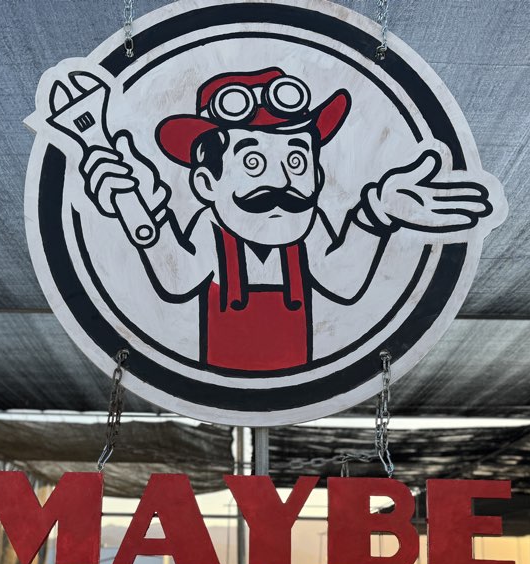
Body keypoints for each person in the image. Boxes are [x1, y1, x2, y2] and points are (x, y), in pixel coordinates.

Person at [80, 69, 496, 372]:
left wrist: (377, 215)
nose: (280, 181)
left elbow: (344, 283)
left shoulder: (309, 230)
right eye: (253, 162)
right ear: (206, 184)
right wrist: (138, 207)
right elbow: (175, 281)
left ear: (317, 175)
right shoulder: (210, 232)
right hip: (213, 376)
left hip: (299, 371)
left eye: (296, 160)